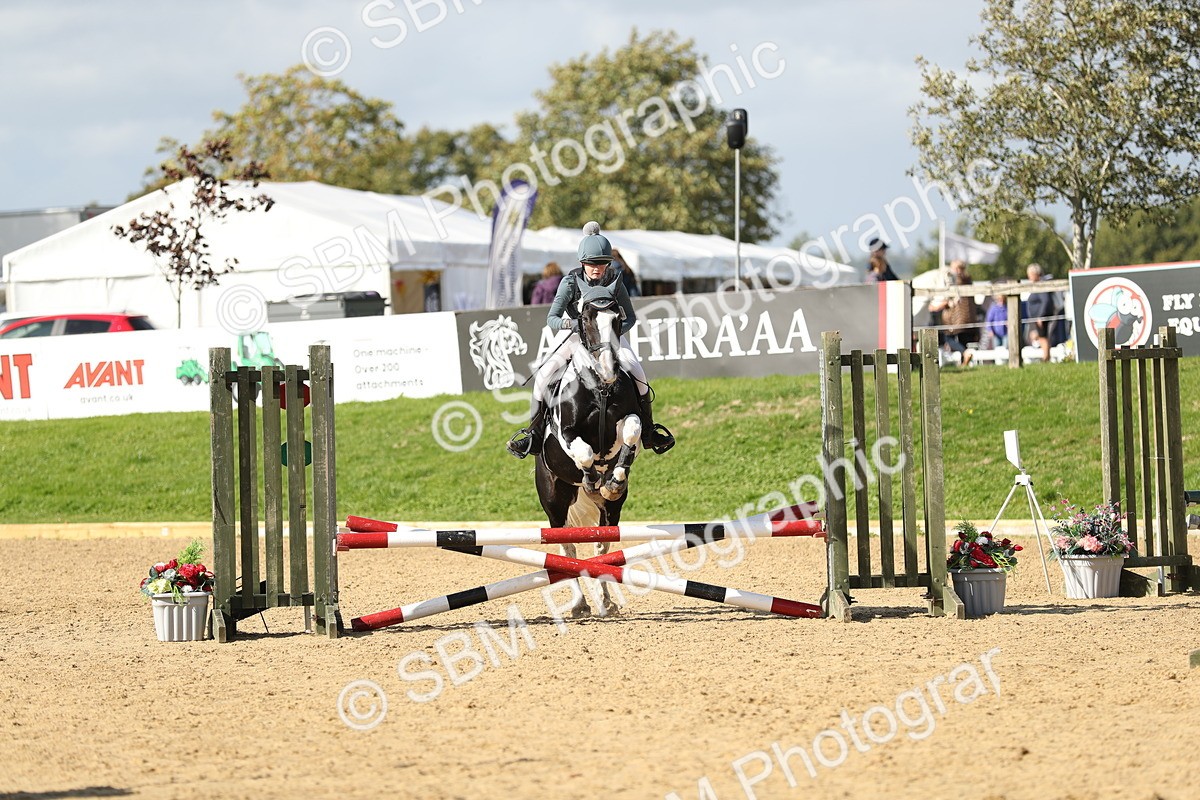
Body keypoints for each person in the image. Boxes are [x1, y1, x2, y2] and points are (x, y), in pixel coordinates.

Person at [506, 222, 674, 459]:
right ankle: (533, 435)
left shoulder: (615, 281)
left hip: (608, 340)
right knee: (543, 376)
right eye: (592, 264)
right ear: (582, 262)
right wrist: (572, 325)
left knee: (639, 373)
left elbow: (631, 317)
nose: (598, 269)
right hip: (575, 337)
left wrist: (612, 335)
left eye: (603, 263)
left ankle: (649, 431)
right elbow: (552, 318)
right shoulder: (570, 282)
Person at [939, 261, 978, 366]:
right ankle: (964, 363)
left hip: (958, 318)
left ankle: (965, 354)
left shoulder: (955, 281)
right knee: (962, 340)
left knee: (948, 338)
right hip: (969, 318)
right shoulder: (969, 280)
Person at [1024, 263, 1058, 362]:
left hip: (1041, 317)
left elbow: (1045, 301)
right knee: (1040, 336)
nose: (1029, 276)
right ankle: (1046, 356)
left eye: (1030, 274)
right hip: (1037, 318)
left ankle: (1046, 357)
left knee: (1043, 337)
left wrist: (1040, 316)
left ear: (1036, 274)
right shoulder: (1036, 286)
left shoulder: (1041, 286)